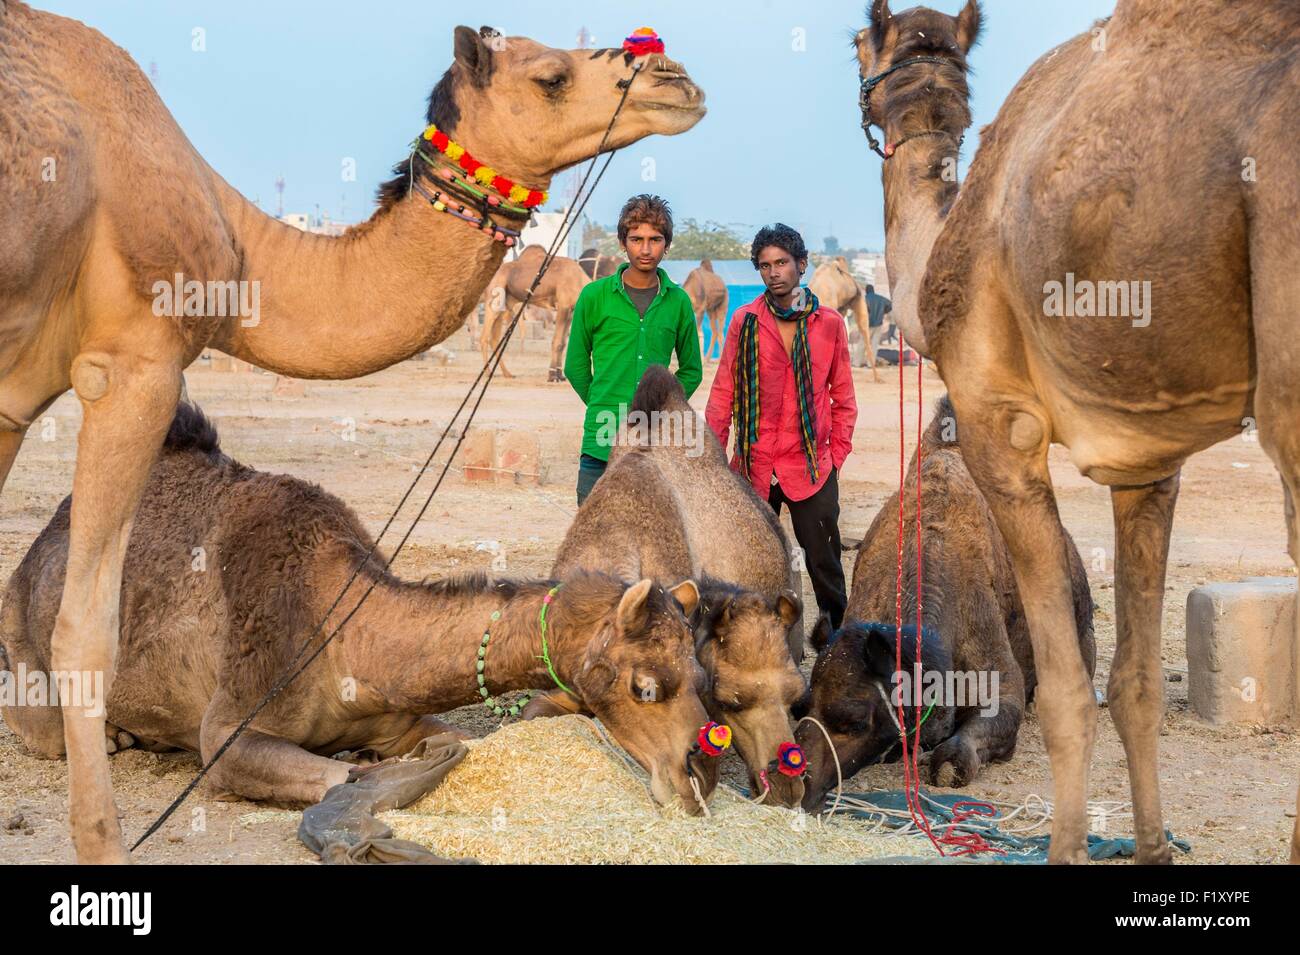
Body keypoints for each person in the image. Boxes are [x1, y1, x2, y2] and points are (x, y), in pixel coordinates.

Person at [706, 224, 857, 628]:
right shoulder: (745, 321)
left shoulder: (828, 324)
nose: (773, 272)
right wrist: (714, 460)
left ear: (800, 265)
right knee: (748, 563)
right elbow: (724, 395)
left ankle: (837, 645)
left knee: (824, 563)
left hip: (812, 466)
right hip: (753, 465)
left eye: (782, 263)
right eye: (765, 265)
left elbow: (843, 398)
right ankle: (751, 647)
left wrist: (835, 458)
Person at [565, 195, 702, 505]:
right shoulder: (593, 296)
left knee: (650, 534)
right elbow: (574, 367)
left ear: (666, 245)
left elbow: (692, 369)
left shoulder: (678, 301)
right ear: (622, 242)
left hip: (655, 443)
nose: (645, 248)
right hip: (602, 440)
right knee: (593, 537)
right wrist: (603, 401)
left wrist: (663, 405)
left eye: (655, 239)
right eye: (636, 239)